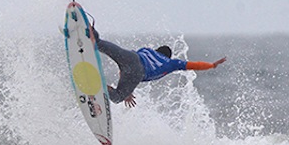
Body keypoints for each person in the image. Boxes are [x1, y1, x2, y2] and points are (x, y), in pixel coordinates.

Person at [92, 29, 226, 108]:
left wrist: (125, 86)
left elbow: (124, 69)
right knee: (117, 98)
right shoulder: (171, 63)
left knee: (100, 45)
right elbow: (194, 65)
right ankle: (101, 87)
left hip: (132, 57)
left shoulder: (146, 50)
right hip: (138, 72)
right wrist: (212, 65)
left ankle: (92, 34)